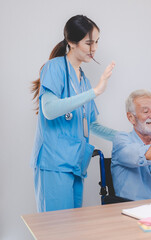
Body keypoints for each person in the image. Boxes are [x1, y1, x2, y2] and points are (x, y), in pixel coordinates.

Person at [30, 15, 118, 212]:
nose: (94, 48)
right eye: (88, 42)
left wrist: (126, 138)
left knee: (71, 228)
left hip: (76, 164)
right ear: (71, 42)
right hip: (54, 163)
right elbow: (49, 110)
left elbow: (92, 124)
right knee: (56, 229)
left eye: (96, 42)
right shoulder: (54, 68)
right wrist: (95, 92)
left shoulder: (83, 80)